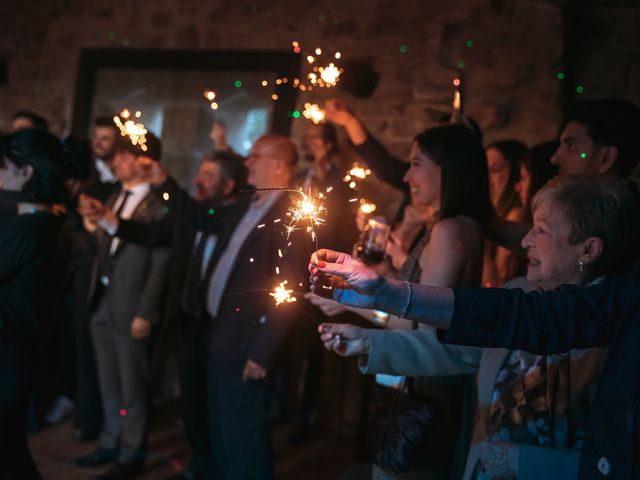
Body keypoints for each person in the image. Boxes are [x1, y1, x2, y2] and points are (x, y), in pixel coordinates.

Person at [309, 177, 640, 479]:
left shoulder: (617, 335)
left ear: (588, 249)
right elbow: (461, 350)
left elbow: (618, 456)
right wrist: (370, 343)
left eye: (541, 230)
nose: (525, 240)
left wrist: (526, 462)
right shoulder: (519, 292)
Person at [308, 124, 491, 478]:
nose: (407, 177)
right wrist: (390, 262)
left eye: (416, 163)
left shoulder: (450, 229)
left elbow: (418, 322)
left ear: (448, 168)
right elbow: (415, 292)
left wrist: (348, 302)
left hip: (424, 390)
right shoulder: (451, 226)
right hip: (420, 383)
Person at [80, 149, 248, 480]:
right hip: (185, 317)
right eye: (199, 174)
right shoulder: (191, 214)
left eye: (208, 176)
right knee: (190, 402)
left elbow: (162, 255)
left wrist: (162, 181)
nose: (198, 181)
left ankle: (203, 466)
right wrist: (104, 218)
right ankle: (198, 462)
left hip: (219, 323)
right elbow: (149, 234)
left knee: (208, 403)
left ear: (229, 186)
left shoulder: (232, 217)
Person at [75, 133, 171, 480]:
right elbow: (107, 243)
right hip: (102, 299)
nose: (115, 161)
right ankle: (110, 440)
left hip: (132, 305)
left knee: (133, 384)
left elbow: (161, 261)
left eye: (123, 156)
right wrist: (92, 223)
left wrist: (147, 311)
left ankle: (131, 456)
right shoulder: (117, 195)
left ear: (145, 162)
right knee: (109, 379)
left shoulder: (159, 205)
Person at [0, 128, 69, 479]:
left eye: (2, 167)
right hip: (20, 354)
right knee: (10, 450)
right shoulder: (43, 221)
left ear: (25, 172)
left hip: (8, 357)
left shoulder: (28, 229)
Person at [487, 98, 640, 254]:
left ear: (605, 158)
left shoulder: (617, 225)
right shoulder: (605, 213)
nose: (555, 158)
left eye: (571, 146)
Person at [483, 140, 527, 287]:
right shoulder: (497, 214)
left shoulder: (515, 215)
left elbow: (497, 279)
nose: (486, 177)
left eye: (495, 169)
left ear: (516, 175)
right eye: (483, 169)